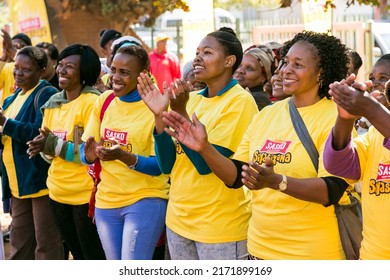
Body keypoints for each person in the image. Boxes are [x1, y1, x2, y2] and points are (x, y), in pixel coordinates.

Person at [159, 31, 353, 260]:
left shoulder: (335, 117)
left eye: (298, 64)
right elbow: (234, 176)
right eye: (285, 62)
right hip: (259, 250)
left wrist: (278, 182)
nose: (286, 70)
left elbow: (332, 189)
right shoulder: (266, 115)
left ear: (321, 73)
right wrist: (204, 148)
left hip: (310, 254)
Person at [138, 27, 258, 260]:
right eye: (197, 52)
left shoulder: (240, 102)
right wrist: (159, 115)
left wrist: (180, 112)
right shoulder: (191, 98)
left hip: (218, 227)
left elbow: (206, 167)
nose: (198, 58)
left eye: (207, 52)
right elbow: (167, 166)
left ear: (229, 61)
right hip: (178, 221)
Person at [80, 45, 170, 260]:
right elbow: (85, 153)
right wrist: (91, 155)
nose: (115, 78)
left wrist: (126, 157)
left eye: (124, 72)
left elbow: (162, 166)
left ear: (144, 74)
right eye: (113, 70)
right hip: (106, 202)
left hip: (145, 199)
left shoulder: (158, 107)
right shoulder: (105, 101)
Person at [26, 44, 106, 260]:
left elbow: (85, 155)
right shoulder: (53, 103)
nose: (61, 70)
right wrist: (42, 147)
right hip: (57, 192)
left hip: (84, 196)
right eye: (60, 64)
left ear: (84, 73)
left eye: (69, 66)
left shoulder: (92, 103)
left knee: (92, 256)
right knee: (76, 255)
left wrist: (51, 145)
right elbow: (49, 150)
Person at [0, 46, 63, 259]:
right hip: (17, 182)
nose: (18, 73)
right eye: (16, 68)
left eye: (26, 70)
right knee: (20, 243)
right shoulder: (11, 99)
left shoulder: (46, 94)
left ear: (42, 70)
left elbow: (38, 132)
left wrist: (5, 123)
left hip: (39, 181)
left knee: (46, 244)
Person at [323, 62, 390, 260]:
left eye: (384, 79)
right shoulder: (374, 135)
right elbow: (339, 165)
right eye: (373, 78)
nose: (377, 84)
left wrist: (371, 109)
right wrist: (345, 118)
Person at [234, 44, 278, 111]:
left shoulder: (258, 101)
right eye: (239, 65)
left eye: (249, 68)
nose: (239, 70)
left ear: (263, 78)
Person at [0, 31, 32, 104]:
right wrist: (3, 57)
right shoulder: (7, 67)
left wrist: (11, 49)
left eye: (18, 48)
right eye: (12, 46)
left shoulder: (34, 68)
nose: (12, 50)